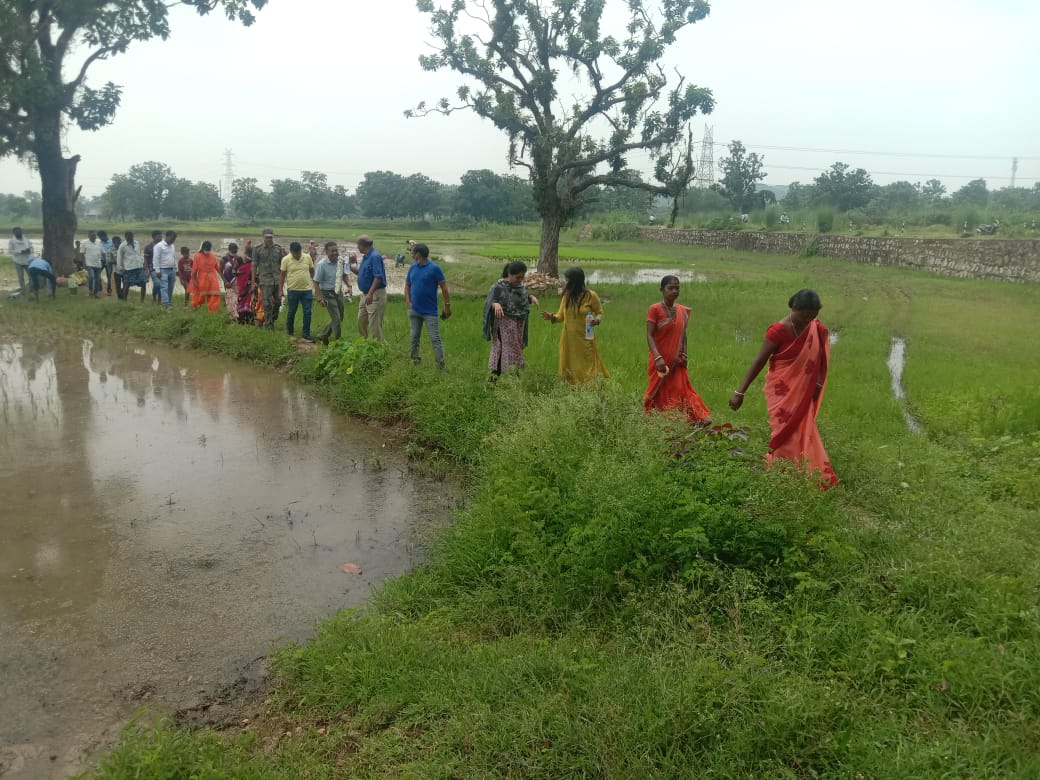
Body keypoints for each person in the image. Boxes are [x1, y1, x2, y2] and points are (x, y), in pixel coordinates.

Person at [729, 288, 838, 489]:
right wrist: (739, 392)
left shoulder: (817, 329)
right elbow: (759, 362)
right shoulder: (778, 331)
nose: (807, 321)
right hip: (781, 391)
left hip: (805, 391)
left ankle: (800, 469)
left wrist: (819, 383)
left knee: (803, 429)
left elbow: (822, 359)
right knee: (783, 430)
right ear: (793, 307)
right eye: (804, 316)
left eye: (812, 317)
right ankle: (783, 471)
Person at [643, 275, 711, 424]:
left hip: (677, 361)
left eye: (677, 288)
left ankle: (693, 419)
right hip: (660, 362)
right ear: (662, 290)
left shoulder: (682, 311)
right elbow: (649, 335)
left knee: (682, 391)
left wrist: (685, 354)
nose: (674, 291)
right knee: (659, 393)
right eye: (670, 288)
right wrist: (658, 358)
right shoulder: (654, 309)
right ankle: (658, 423)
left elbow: (683, 334)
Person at [540, 266, 608, 384]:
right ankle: (571, 387)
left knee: (587, 364)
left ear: (575, 281)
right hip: (569, 339)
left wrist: (596, 320)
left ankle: (589, 388)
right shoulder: (567, 297)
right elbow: (561, 316)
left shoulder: (591, 296)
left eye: (567, 280)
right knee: (569, 364)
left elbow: (599, 312)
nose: (565, 282)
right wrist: (552, 317)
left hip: (586, 338)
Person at [483, 261, 538, 377]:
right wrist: (494, 304)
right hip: (503, 323)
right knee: (502, 349)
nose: (520, 280)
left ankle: (515, 377)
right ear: (509, 274)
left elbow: (519, 299)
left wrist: (530, 297)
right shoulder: (498, 286)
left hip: (518, 324)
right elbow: (489, 302)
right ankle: (493, 378)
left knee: (516, 349)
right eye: (518, 277)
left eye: (522, 277)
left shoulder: (520, 286)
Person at [404, 242, 451, 369]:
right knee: (414, 337)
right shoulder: (412, 268)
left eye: (413, 252)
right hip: (414, 310)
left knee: (435, 339)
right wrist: (408, 301)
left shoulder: (434, 268)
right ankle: (415, 360)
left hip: (430, 311)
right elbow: (407, 285)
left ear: (418, 254)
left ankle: (440, 366)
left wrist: (447, 306)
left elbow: (444, 288)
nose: (411, 254)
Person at [349, 234, 386, 342]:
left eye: (358, 245)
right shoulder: (366, 257)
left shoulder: (374, 257)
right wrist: (350, 266)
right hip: (365, 294)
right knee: (361, 321)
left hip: (374, 294)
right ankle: (364, 344)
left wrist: (370, 294)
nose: (357, 247)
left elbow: (378, 277)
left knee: (374, 324)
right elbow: (361, 273)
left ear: (363, 245)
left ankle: (378, 348)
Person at [280, 240, 315, 341]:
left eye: (299, 253)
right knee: (291, 312)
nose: (297, 255)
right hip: (292, 290)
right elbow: (282, 276)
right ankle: (290, 332)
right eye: (295, 254)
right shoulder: (285, 259)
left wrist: (316, 286)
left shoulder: (307, 257)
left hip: (307, 290)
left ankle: (306, 334)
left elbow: (312, 271)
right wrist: (280, 290)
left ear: (301, 250)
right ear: (291, 251)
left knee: (308, 312)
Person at [314, 241, 348, 344]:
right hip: (327, 293)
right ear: (326, 252)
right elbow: (316, 282)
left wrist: (349, 285)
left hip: (338, 291)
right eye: (332, 251)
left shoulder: (341, 261)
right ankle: (338, 342)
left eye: (336, 250)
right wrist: (319, 298)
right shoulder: (322, 265)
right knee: (336, 319)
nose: (335, 253)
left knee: (340, 316)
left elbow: (344, 275)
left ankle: (323, 335)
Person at [252, 228, 284, 329]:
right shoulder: (257, 249)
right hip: (265, 280)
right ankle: (267, 324)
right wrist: (253, 281)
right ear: (263, 237)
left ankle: (272, 319)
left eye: (270, 237)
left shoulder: (278, 249)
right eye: (267, 237)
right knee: (266, 303)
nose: (269, 239)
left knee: (278, 302)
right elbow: (254, 265)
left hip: (277, 279)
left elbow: (283, 265)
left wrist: (283, 280)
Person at [190, 241, 223, 312]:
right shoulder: (197, 256)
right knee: (199, 294)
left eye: (209, 249)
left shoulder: (213, 255)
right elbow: (194, 270)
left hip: (213, 278)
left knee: (214, 293)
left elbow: (217, 267)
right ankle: (196, 307)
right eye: (206, 249)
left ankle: (213, 310)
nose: (207, 251)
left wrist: (224, 279)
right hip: (202, 278)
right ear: (203, 248)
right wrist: (194, 281)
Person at [117, 231, 148, 301]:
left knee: (143, 283)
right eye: (128, 237)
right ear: (125, 237)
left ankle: (142, 300)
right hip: (129, 268)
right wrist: (121, 268)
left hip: (139, 267)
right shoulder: (122, 246)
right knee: (127, 285)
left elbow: (139, 254)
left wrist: (142, 263)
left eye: (131, 237)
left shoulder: (137, 243)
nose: (130, 238)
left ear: (133, 236)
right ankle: (125, 300)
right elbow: (119, 258)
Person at [152, 230, 178, 309]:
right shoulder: (159, 246)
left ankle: (169, 303)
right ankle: (166, 304)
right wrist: (157, 271)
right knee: (164, 288)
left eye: (174, 239)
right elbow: (156, 259)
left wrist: (176, 269)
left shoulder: (172, 246)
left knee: (171, 287)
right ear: (167, 236)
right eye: (172, 238)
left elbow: (173, 257)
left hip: (172, 270)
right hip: (163, 270)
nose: (173, 240)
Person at [80, 230, 104, 298]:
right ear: (88, 236)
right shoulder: (85, 243)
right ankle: (90, 290)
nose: (93, 237)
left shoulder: (99, 242)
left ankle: (95, 293)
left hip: (98, 264)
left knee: (98, 279)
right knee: (91, 277)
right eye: (92, 235)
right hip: (89, 263)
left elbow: (103, 252)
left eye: (94, 235)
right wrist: (83, 263)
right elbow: (82, 254)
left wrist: (105, 260)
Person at [222, 243, 241, 321]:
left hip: (236, 281)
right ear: (229, 250)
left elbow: (236, 269)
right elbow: (220, 271)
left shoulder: (238, 258)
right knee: (229, 299)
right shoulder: (224, 259)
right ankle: (233, 317)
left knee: (236, 299)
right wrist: (225, 281)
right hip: (228, 281)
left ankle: (237, 316)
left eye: (235, 250)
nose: (234, 251)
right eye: (233, 250)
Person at [143, 229, 163, 303]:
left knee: (161, 284)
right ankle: (154, 296)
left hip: (162, 268)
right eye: (159, 237)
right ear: (153, 237)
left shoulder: (163, 246)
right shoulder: (148, 247)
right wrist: (146, 270)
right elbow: (145, 259)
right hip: (152, 268)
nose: (160, 238)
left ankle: (159, 300)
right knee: (158, 284)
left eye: (161, 237)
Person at [236, 248, 254, 324]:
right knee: (246, 304)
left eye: (245, 254)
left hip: (246, 289)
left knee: (245, 304)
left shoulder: (247, 266)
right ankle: (246, 321)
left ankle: (244, 321)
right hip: (246, 289)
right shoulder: (253, 265)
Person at [98, 230, 116, 295]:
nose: (100, 239)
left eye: (101, 237)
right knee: (98, 273)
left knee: (109, 275)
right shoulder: (100, 243)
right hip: (102, 261)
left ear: (105, 236)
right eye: (99, 238)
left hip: (109, 262)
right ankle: (99, 286)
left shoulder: (112, 242)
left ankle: (109, 288)